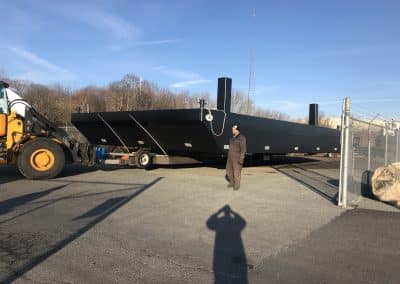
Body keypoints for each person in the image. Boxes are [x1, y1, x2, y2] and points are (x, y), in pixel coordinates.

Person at [225, 124, 246, 190]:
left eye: (233, 129)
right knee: (228, 171)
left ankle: (237, 185)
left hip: (237, 158)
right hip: (230, 158)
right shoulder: (231, 138)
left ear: (237, 130)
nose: (232, 131)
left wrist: (241, 159)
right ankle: (232, 182)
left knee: (236, 172)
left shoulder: (242, 138)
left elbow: (243, 149)